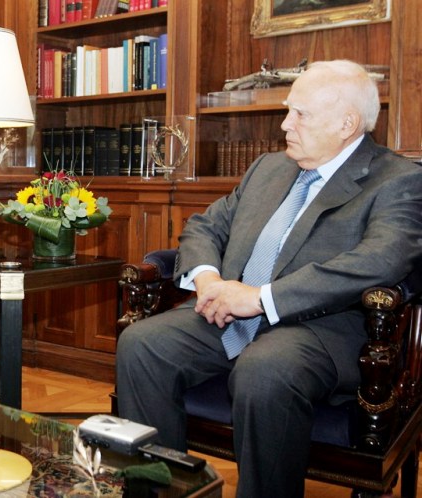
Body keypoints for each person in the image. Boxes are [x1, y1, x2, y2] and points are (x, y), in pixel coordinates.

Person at [116, 60, 422, 497]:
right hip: (228, 313)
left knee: (264, 370)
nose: (285, 124)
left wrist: (261, 298)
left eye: (300, 113)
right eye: (288, 110)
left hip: (320, 329)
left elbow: (379, 261)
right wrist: (208, 281)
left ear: (347, 124)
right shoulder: (269, 168)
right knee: (143, 344)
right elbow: (205, 226)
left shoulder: (399, 180)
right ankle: (163, 490)